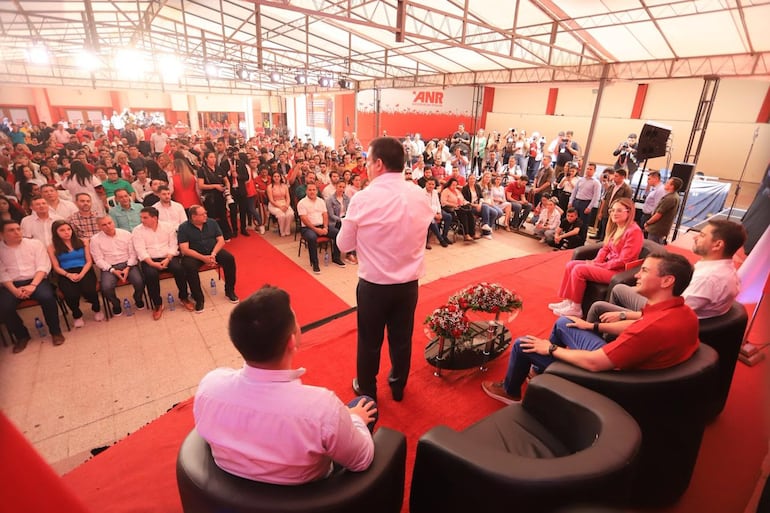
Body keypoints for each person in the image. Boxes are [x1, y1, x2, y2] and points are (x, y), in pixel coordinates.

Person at [193, 285, 377, 484]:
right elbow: (362, 460)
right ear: (291, 341)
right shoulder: (322, 408)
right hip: (311, 497)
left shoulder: (210, 387)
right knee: (365, 403)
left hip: (231, 490)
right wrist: (352, 420)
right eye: (296, 321)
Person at [482, 252, 698, 404]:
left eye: (644, 270)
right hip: (629, 369)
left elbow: (596, 363)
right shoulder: (683, 312)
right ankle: (539, 371)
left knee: (524, 344)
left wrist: (550, 349)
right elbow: (638, 322)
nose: (636, 275)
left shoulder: (651, 329)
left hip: (609, 379)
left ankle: (510, 391)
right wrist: (592, 325)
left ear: (667, 281)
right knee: (565, 322)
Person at [337, 137, 434, 402]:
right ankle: (398, 384)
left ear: (378, 164)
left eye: (367, 161)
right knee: (401, 339)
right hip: (408, 285)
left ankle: (367, 390)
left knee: (369, 341)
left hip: (374, 286)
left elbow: (343, 244)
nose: (365, 167)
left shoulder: (363, 199)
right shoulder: (419, 195)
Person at [587, 218, 746, 323]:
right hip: (670, 308)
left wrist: (624, 315)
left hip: (664, 319)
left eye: (702, 235)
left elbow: (669, 314)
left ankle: (608, 337)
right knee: (621, 288)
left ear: (717, 245)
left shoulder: (708, 279)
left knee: (600, 306)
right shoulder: (726, 269)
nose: (695, 237)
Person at [548, 197, 643, 317]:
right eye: (612, 210)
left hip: (617, 271)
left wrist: (599, 265)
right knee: (571, 264)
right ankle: (568, 301)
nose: (614, 213)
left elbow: (624, 260)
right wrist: (596, 261)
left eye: (619, 210)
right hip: (608, 266)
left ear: (629, 212)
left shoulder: (634, 231)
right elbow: (605, 248)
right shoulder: (617, 227)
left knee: (579, 270)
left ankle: (576, 308)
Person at [0, 219, 66, 351]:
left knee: (47, 298)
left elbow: (43, 265)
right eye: (11, 230)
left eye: (18, 229)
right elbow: (1, 272)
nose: (17, 232)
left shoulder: (35, 244)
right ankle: (22, 336)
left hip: (36, 279)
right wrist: (14, 290)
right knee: (4, 307)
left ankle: (55, 332)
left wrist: (33, 285)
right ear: (1, 234)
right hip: (11, 284)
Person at [132, 207, 193, 318]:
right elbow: (140, 249)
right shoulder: (137, 230)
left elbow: (173, 244)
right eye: (141, 217)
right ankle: (157, 304)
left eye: (145, 217)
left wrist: (168, 258)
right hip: (150, 259)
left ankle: (184, 297)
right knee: (151, 275)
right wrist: (151, 263)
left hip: (168, 256)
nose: (142, 220)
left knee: (179, 269)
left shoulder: (168, 226)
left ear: (154, 218)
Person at [178, 205, 239, 312]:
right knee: (188, 266)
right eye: (202, 214)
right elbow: (184, 249)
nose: (206, 215)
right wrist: (203, 258)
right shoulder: (183, 228)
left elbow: (221, 240)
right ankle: (199, 298)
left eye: (205, 213)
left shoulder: (212, 223)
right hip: (195, 254)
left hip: (213, 251)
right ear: (194, 217)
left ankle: (230, 290)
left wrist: (213, 254)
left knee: (229, 259)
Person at [47, 220, 103, 327]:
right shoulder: (52, 247)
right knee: (70, 294)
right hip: (65, 272)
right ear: (55, 232)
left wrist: (82, 273)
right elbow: (56, 267)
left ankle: (97, 309)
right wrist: (68, 275)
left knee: (89, 290)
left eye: (68, 229)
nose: (67, 232)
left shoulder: (83, 241)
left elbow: (89, 261)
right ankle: (77, 315)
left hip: (84, 269)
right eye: (62, 230)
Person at [90, 215, 145, 316]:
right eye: (104, 225)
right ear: (99, 227)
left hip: (128, 264)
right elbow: (98, 259)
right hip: (109, 267)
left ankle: (137, 298)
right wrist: (112, 270)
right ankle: (116, 304)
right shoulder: (95, 240)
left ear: (113, 222)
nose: (108, 226)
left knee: (139, 281)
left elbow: (133, 253)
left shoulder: (126, 234)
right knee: (106, 287)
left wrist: (128, 267)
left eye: (109, 223)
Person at [297, 183, 345, 274]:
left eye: (314, 190)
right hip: (308, 228)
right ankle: (315, 263)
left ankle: (336, 258)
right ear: (306, 191)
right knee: (312, 238)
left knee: (337, 233)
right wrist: (316, 230)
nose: (312, 192)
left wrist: (325, 227)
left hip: (322, 225)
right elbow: (304, 219)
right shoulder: (302, 203)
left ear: (317, 191)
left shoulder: (321, 201)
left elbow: (325, 215)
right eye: (310, 190)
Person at [593, 168, 632, 241]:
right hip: (607, 209)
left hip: (616, 211)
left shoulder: (626, 189)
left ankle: (605, 240)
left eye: (616, 176)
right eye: (614, 175)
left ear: (622, 177)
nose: (614, 178)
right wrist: (600, 211)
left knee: (611, 227)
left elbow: (627, 203)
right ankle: (600, 236)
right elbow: (605, 199)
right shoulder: (611, 186)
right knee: (603, 224)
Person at [568, 162, 602, 241]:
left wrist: (589, 207)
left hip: (586, 203)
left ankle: (581, 240)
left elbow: (596, 196)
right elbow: (574, 191)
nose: (588, 170)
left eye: (590, 169)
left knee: (583, 223)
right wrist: (571, 202)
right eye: (587, 169)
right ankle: (572, 239)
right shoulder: (581, 180)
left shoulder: (596, 183)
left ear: (594, 171)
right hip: (576, 201)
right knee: (574, 221)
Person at [644, 177, 683, 244]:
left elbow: (659, 214)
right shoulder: (675, 197)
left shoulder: (669, 198)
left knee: (652, 246)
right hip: (661, 228)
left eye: (668, 183)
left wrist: (648, 223)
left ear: (672, 186)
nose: (665, 184)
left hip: (657, 228)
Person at [441, 177, 476, 242]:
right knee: (464, 214)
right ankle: (466, 234)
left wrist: (467, 203)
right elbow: (443, 202)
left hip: (461, 207)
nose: (454, 186)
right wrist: (454, 205)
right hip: (452, 209)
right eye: (453, 185)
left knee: (470, 213)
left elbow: (463, 200)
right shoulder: (445, 191)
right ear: (449, 184)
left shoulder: (457, 191)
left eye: (455, 185)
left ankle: (472, 233)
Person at [424, 177, 452, 248]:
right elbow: (426, 208)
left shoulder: (435, 192)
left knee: (448, 217)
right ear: (426, 184)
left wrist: (439, 213)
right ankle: (441, 239)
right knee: (432, 221)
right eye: (429, 184)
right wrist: (435, 215)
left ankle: (444, 236)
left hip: (437, 211)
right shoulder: (422, 193)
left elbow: (438, 203)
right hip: (427, 213)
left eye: (432, 184)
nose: (431, 186)